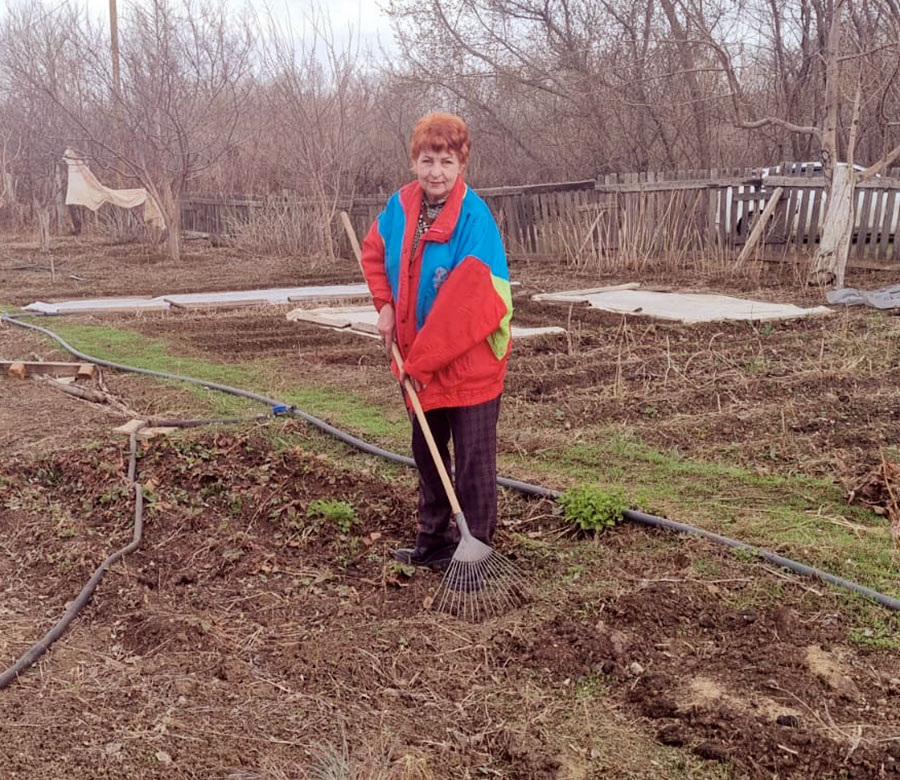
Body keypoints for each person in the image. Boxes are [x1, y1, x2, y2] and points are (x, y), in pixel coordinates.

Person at [359, 112, 512, 570]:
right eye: (427, 160)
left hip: (468, 365)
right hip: (418, 362)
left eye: (447, 161)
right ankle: (434, 540)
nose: (436, 172)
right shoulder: (400, 207)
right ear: (414, 162)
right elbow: (374, 253)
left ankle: (476, 554)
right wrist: (385, 305)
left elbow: (465, 310)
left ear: (461, 164)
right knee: (427, 454)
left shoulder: (474, 219)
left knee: (473, 463)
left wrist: (418, 366)